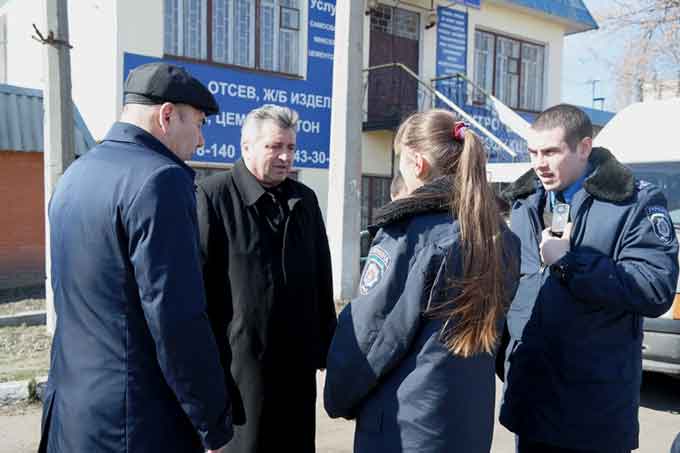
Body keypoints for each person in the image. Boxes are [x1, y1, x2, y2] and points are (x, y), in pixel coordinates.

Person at [38, 62, 233, 453]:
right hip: (136, 423)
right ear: (166, 115)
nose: (201, 141)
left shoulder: (74, 176)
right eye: (198, 123)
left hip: (72, 415)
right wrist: (212, 420)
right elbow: (176, 317)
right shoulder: (160, 180)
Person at [324, 109, 520, 453]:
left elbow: (373, 335)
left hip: (407, 428)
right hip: (466, 423)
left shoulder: (412, 234)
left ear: (417, 162)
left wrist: (337, 396)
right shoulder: (500, 236)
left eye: (400, 157)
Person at [498, 104, 679, 453]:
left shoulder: (633, 202)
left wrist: (569, 263)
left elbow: (655, 289)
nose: (539, 163)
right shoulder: (525, 203)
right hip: (531, 405)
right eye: (533, 152)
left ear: (584, 147)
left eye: (551, 152)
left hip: (591, 415)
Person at [195, 104, 337, 453]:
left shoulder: (304, 200)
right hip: (240, 372)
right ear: (246, 147)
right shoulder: (213, 196)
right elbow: (198, 291)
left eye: (291, 148)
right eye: (275, 147)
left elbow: (322, 277)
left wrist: (327, 349)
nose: (286, 157)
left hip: (296, 368)